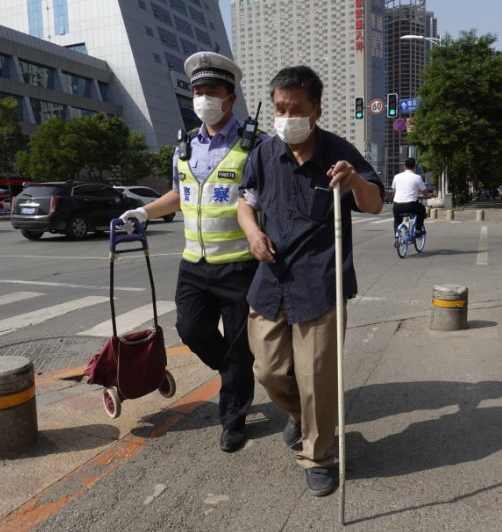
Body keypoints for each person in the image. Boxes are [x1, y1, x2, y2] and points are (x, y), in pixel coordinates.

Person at [237, 66, 383, 496]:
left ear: (315, 110)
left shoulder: (338, 153)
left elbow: (374, 204)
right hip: (271, 277)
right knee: (267, 369)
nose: (285, 116)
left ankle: (318, 455)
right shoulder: (264, 153)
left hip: (321, 281)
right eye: (279, 107)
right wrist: (252, 232)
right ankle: (301, 416)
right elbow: (246, 204)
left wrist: (355, 181)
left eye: (295, 108)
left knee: (317, 376)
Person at [120, 51, 266, 453]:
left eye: (212, 91)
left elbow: (267, 198)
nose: (204, 98)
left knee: (238, 346)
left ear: (230, 98)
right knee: (192, 330)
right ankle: (237, 373)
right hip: (194, 265)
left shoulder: (255, 144)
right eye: (198, 91)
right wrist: (143, 211)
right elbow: (179, 195)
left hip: (239, 265)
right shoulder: (184, 144)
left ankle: (233, 418)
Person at [391, 157, 430, 240]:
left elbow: (394, 190)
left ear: (404, 166)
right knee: (422, 210)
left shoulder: (396, 177)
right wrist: (426, 195)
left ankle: (397, 239)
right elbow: (424, 191)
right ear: (414, 167)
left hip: (397, 205)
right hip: (411, 205)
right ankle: (418, 230)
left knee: (397, 221)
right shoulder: (417, 177)